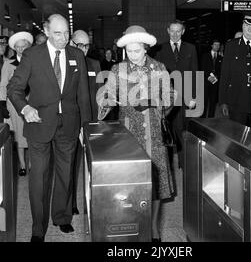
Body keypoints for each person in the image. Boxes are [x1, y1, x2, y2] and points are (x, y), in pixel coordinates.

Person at [7, 14, 91, 242]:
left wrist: (87, 126)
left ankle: (62, 217)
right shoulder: (32, 55)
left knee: (66, 174)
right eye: (57, 33)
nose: (64, 38)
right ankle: (37, 228)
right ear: (46, 31)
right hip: (39, 124)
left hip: (69, 124)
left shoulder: (77, 56)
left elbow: (83, 94)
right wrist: (24, 108)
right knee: (39, 178)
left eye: (66, 33)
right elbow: (14, 88)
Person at [96, 25, 175, 242]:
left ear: (146, 48)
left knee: (156, 181)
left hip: (154, 131)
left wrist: (154, 104)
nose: (132, 56)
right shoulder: (116, 70)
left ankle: (153, 228)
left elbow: (169, 98)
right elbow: (107, 99)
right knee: (130, 181)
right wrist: (107, 100)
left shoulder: (159, 67)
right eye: (129, 51)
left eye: (137, 51)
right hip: (128, 131)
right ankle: (131, 221)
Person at [153, 20, 198, 168]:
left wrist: (193, 97)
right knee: (166, 130)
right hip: (166, 98)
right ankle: (167, 164)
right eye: (172, 30)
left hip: (185, 98)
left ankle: (184, 163)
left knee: (183, 130)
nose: (175, 34)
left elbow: (195, 74)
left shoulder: (191, 49)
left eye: (178, 31)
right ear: (168, 30)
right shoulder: (160, 49)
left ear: (183, 31)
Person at [70, 29, 101, 215]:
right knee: (70, 166)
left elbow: (98, 94)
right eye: (79, 45)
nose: (83, 49)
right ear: (72, 43)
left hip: (90, 121)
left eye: (86, 45)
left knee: (91, 165)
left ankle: (92, 200)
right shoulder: (66, 62)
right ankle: (71, 202)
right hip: (70, 122)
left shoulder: (94, 64)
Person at [0, 32, 33, 176]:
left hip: (32, 104)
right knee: (19, 136)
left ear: (28, 47)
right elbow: (3, 85)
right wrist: (2, 103)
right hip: (14, 105)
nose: (21, 49)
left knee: (33, 134)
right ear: (14, 48)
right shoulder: (8, 64)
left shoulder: (35, 61)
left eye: (23, 46)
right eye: (18, 47)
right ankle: (23, 164)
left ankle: (32, 163)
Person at [219, 15, 251, 127]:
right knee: (237, 136)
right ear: (242, 26)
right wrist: (223, 101)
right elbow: (225, 74)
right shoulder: (231, 45)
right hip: (236, 101)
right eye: (247, 25)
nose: (249, 29)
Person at [201, 39, 223, 118]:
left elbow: (221, 70)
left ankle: (210, 118)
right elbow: (202, 67)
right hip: (206, 82)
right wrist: (208, 77)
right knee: (204, 101)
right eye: (215, 44)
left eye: (218, 45)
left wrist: (216, 77)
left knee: (213, 102)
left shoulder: (221, 57)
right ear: (211, 45)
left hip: (215, 83)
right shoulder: (205, 55)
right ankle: (202, 118)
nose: (217, 46)